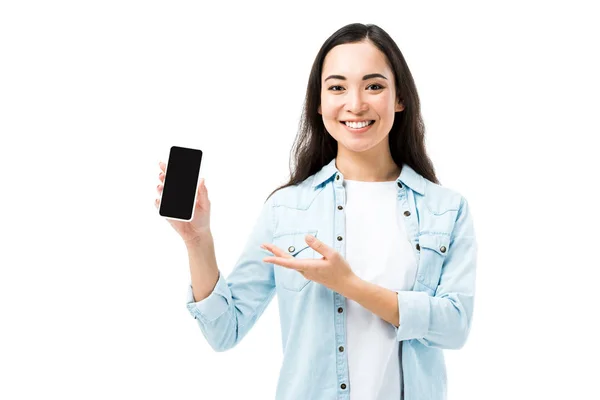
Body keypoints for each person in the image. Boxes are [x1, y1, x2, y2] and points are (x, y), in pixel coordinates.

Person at [155, 22, 477, 400]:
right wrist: (198, 241)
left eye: (374, 86)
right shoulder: (287, 208)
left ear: (400, 97)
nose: (355, 104)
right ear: (319, 103)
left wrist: (350, 285)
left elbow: (455, 327)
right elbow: (225, 330)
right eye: (337, 87)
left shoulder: (445, 209)